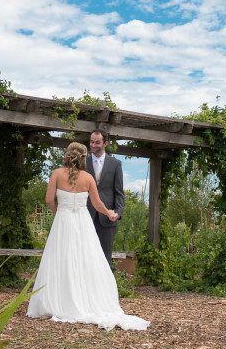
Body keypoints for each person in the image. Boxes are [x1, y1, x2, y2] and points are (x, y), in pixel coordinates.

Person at [27, 142, 148, 331]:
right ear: (83, 158)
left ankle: (58, 301)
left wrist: (59, 211)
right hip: (83, 222)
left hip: (63, 220)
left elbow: (49, 199)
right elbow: (97, 204)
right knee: (86, 259)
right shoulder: (88, 178)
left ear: (67, 155)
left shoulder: (56, 174)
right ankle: (85, 300)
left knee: (60, 258)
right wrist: (109, 213)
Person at [85, 128, 124, 264]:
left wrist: (117, 213)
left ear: (105, 144)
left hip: (107, 220)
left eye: (97, 143)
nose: (93, 145)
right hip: (85, 218)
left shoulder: (115, 164)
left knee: (104, 260)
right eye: (91, 142)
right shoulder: (82, 163)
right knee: (85, 257)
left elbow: (119, 193)